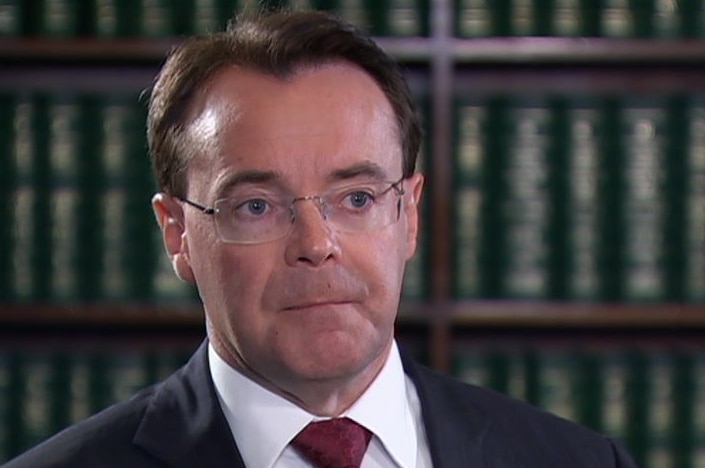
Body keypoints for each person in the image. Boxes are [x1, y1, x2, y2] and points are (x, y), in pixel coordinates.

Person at [4, 8, 636, 468]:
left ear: (408, 215)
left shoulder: (579, 461)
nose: (316, 242)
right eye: (256, 206)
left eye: (356, 199)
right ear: (178, 235)